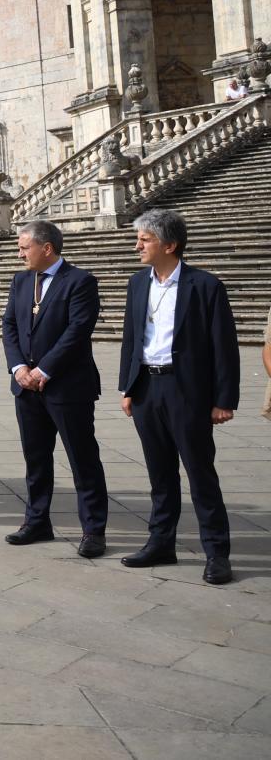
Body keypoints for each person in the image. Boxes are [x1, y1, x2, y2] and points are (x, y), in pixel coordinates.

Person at [117, 209, 237, 584]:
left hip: (187, 391)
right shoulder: (138, 283)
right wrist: (127, 386)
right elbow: (130, 339)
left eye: (145, 240)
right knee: (160, 473)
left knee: (200, 473)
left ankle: (217, 552)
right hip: (146, 389)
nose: (137, 246)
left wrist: (224, 400)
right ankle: (161, 542)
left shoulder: (205, 286)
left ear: (170, 245)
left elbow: (224, 346)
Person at [0, 220, 109, 557]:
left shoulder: (79, 281)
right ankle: (37, 521)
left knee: (82, 458)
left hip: (67, 387)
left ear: (46, 248)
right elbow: (9, 325)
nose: (19, 254)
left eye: (24, 247)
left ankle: (92, 529)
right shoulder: (21, 281)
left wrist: (45, 369)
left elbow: (77, 332)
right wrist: (19, 367)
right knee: (36, 459)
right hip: (26, 388)